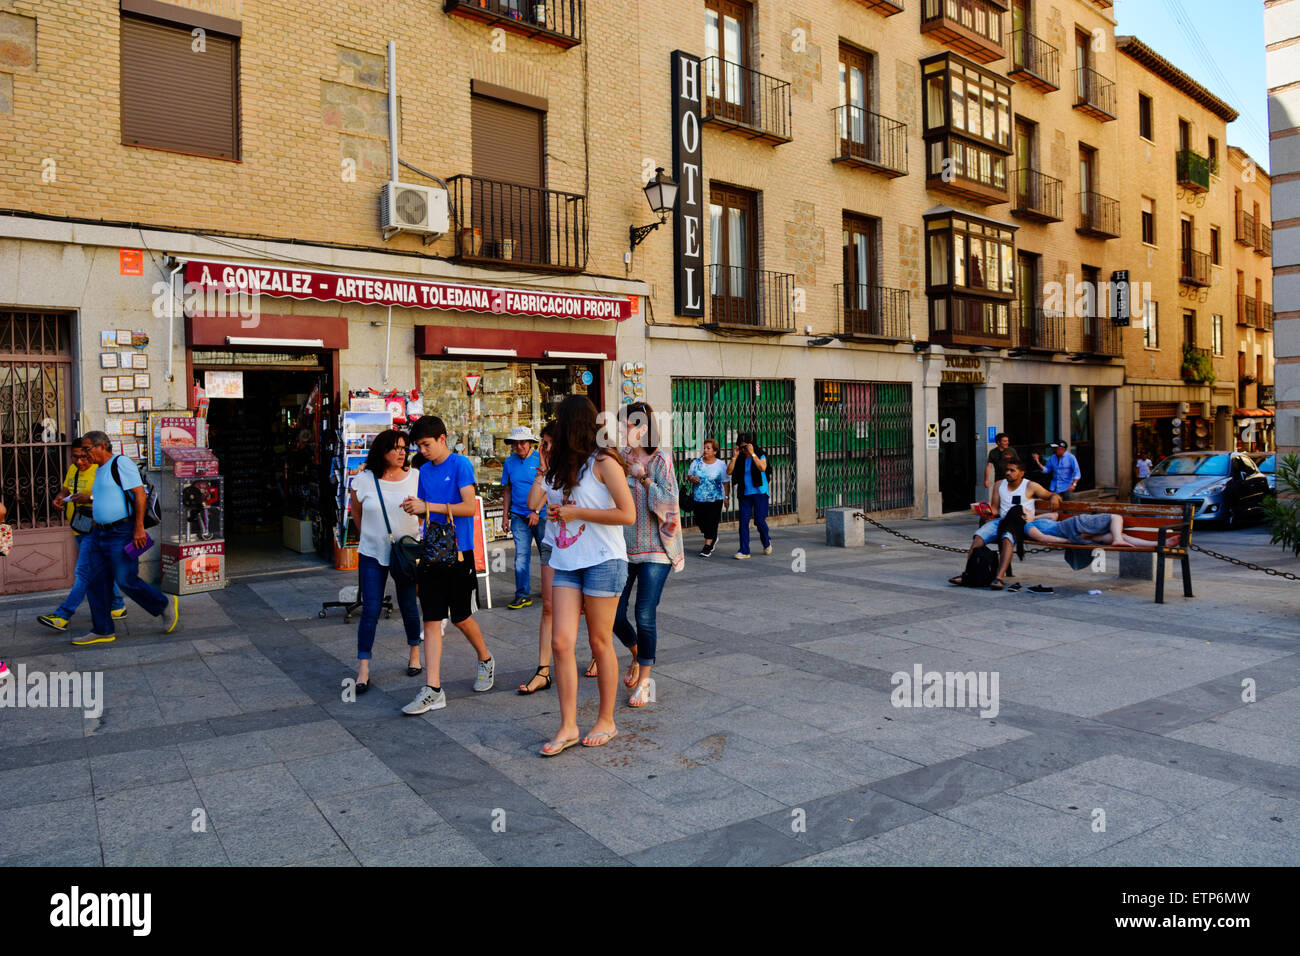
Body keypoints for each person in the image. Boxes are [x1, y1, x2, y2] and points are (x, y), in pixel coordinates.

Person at [527, 395, 634, 755]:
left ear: (574, 423)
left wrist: (579, 514)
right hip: (567, 559)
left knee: (599, 642)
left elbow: (627, 514)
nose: (554, 426)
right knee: (560, 642)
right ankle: (568, 726)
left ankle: (607, 719)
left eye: (559, 420)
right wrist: (544, 467)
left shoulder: (604, 462)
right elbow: (535, 503)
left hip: (604, 559)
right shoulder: (560, 464)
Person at [399, 416, 495, 714]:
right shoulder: (424, 471)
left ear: (443, 439)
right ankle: (433, 687)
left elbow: (469, 507)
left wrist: (428, 507)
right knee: (431, 618)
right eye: (419, 446)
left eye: (426, 444)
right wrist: (416, 508)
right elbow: (427, 514)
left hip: (459, 553)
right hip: (432, 552)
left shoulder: (460, 465)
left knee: (461, 617)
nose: (422, 450)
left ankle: (485, 658)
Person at [74, 431, 179, 645]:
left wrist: (138, 528)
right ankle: (102, 630)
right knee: (95, 581)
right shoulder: (100, 469)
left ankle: (163, 605)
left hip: (121, 532)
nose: (84, 454)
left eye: (87, 449)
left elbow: (139, 494)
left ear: (101, 446)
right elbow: (109, 497)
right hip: (99, 533)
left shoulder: (120, 463)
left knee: (125, 580)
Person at [613, 402, 685, 707]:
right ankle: (636, 653)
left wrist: (644, 478)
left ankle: (645, 681)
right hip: (622, 549)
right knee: (612, 614)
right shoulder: (619, 459)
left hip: (656, 549)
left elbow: (670, 506)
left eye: (625, 426)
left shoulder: (660, 460)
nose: (619, 431)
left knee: (644, 612)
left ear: (642, 428)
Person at [349, 429, 423, 695]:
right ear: (382, 451)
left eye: (405, 447)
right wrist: (371, 535)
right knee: (370, 609)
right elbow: (356, 514)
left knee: (408, 604)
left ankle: (414, 652)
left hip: (405, 554)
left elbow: (424, 513)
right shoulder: (363, 480)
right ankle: (363, 667)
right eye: (396, 448)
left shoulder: (416, 477)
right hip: (372, 552)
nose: (402, 452)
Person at [38, 437, 126, 631]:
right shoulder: (73, 469)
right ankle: (118, 605)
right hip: (79, 527)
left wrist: (90, 497)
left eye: (83, 457)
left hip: (96, 529)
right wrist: (59, 498)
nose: (79, 461)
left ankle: (63, 615)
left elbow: (118, 496)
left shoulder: (102, 471)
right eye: (74, 457)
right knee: (99, 569)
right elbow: (65, 488)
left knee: (83, 572)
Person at [949, 459, 1054, 591]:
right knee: (978, 537)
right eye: (1007, 470)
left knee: (1007, 538)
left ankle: (999, 578)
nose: (1008, 473)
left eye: (1012, 470)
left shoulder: (1030, 486)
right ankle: (967, 574)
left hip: (1019, 523)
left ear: (1021, 473)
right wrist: (984, 511)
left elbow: (1050, 495)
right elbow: (995, 509)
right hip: (1002, 521)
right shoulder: (999, 485)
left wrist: (1054, 497)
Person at [518, 422, 556, 695]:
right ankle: (543, 670)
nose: (544, 448)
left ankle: (596, 654)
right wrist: (541, 469)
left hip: (581, 548)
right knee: (549, 609)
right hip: (552, 545)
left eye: (547, 443)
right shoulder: (549, 473)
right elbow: (532, 502)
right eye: (541, 443)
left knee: (588, 609)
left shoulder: (584, 468)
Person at [501, 426, 546, 610]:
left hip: (541, 515)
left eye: (522, 442)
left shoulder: (540, 460)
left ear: (530, 443)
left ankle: (551, 590)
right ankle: (522, 595)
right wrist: (505, 516)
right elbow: (507, 490)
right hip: (518, 515)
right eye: (515, 443)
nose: (518, 446)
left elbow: (548, 488)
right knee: (521, 555)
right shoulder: (509, 462)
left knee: (547, 554)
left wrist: (536, 511)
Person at [728, 432, 770, 559]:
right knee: (743, 522)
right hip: (745, 493)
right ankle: (744, 550)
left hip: (760, 493)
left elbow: (762, 467)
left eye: (745, 446)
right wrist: (734, 457)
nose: (743, 449)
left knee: (759, 521)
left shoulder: (760, 454)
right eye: (740, 447)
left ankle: (766, 541)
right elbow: (729, 471)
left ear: (751, 445)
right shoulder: (740, 458)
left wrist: (752, 454)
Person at [687, 438, 728, 557]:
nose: (705, 450)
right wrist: (692, 478)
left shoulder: (720, 465)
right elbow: (688, 476)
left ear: (715, 451)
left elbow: (726, 482)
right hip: (699, 498)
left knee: (712, 521)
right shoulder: (696, 462)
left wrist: (726, 497)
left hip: (715, 498)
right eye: (704, 448)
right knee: (700, 521)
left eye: (708, 448)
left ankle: (707, 546)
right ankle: (712, 536)